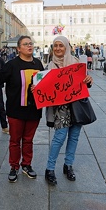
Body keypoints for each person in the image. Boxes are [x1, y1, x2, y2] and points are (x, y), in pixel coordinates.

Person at [0, 36, 44, 182]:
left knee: (28, 140)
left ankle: (26, 165)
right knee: (14, 140)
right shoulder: (12, 64)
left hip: (33, 110)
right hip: (15, 109)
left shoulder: (38, 64)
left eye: (31, 43)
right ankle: (14, 167)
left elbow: (44, 85)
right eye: (25, 44)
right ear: (18, 48)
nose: (29, 46)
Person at [44, 36, 93, 185]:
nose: (58, 48)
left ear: (67, 47)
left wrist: (88, 81)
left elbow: (85, 84)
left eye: (61, 45)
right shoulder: (49, 67)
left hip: (77, 105)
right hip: (61, 108)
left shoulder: (77, 64)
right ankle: (50, 169)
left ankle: (68, 165)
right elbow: (45, 89)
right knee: (60, 137)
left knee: (74, 136)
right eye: (55, 46)